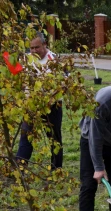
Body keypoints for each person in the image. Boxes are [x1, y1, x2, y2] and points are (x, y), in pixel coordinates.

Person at [16, 33, 63, 169]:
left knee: (54, 138)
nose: (34, 50)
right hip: (31, 105)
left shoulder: (54, 60)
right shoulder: (26, 59)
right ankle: (20, 167)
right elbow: (20, 80)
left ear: (44, 45)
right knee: (26, 136)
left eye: (37, 47)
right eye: (31, 48)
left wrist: (49, 100)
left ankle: (56, 169)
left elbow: (63, 85)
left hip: (52, 106)